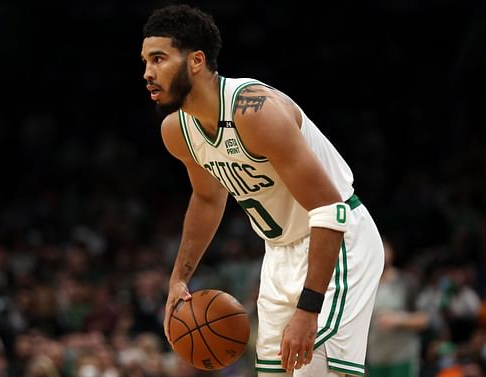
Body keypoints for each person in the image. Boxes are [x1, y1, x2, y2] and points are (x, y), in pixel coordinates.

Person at [140, 4, 384, 376]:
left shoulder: (255, 111)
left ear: (196, 61)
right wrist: (179, 278)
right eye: (145, 61)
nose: (147, 73)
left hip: (336, 243)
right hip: (279, 253)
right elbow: (207, 198)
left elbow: (330, 210)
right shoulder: (178, 132)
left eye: (158, 59)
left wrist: (308, 309)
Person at [366, 237, 429, 377]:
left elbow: (424, 319)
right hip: (375, 357)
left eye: (384, 249)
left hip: (402, 357)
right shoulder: (366, 284)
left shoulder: (407, 282)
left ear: (391, 253)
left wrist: (399, 320)